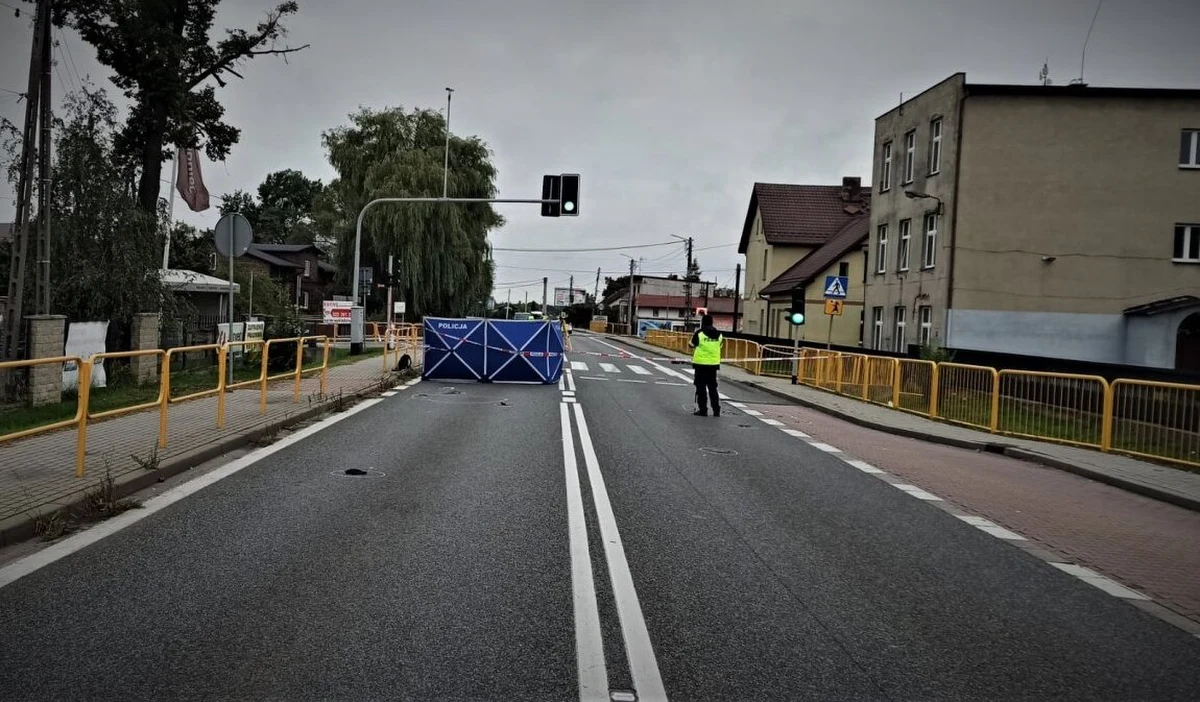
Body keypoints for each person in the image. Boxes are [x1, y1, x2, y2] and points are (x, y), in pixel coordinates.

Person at [688, 314, 722, 417]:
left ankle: (703, 410)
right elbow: (720, 345)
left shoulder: (699, 333)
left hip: (700, 364)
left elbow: (691, 345)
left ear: (703, 322)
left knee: (701, 387)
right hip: (713, 365)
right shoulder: (719, 334)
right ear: (712, 322)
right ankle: (716, 410)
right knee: (713, 388)